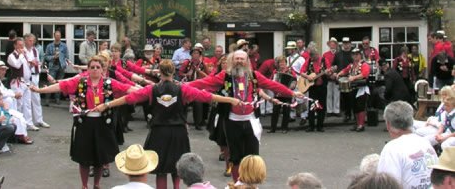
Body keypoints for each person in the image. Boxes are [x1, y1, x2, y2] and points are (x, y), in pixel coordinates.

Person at [94, 59, 240, 189]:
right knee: (177, 168)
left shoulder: (152, 89)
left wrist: (107, 105)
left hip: (158, 132)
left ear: (160, 73)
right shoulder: (183, 89)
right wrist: (230, 100)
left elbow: (129, 98)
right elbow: (207, 96)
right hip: (178, 133)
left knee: (161, 170)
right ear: (173, 72)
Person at [187, 50, 302, 183]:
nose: (239, 61)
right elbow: (205, 82)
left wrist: (291, 93)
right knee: (235, 156)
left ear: (247, 61)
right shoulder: (225, 75)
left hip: (251, 121)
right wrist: (185, 85)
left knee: (253, 157)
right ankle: (238, 183)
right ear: (232, 61)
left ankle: (251, 184)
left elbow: (273, 85)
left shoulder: (254, 76)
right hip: (231, 121)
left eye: (242, 59)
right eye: (237, 59)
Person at [30, 55, 138, 189]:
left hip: (103, 125)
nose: (95, 69)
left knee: (100, 158)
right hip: (85, 124)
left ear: (103, 70)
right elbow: (61, 86)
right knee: (84, 159)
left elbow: (127, 89)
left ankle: (97, 185)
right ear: (88, 69)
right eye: (92, 67)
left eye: (98, 67)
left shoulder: (109, 83)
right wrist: (40, 90)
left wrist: (149, 91)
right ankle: (84, 185)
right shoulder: (80, 82)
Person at [377, 100, 438, 188]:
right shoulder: (426, 143)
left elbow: (386, 185)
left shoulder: (392, 149)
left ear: (388, 125)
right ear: (411, 121)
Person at [0, 61, 33, 145]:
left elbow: (4, 90)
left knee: (11, 101)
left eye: (5, 70)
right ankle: (17, 132)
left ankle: (19, 133)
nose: (4, 72)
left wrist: (13, 94)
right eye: (3, 70)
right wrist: (14, 94)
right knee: (9, 99)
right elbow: (1, 92)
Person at [337, 48, 370, 132]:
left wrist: (354, 77)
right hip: (353, 88)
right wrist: (339, 73)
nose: (355, 56)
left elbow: (364, 74)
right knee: (354, 107)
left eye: (357, 54)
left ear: (360, 55)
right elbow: (345, 70)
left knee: (360, 107)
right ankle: (356, 123)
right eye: (354, 54)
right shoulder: (351, 65)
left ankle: (361, 125)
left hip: (361, 88)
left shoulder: (364, 64)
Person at [179, 44, 209, 130]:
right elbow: (180, 73)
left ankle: (198, 123)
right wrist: (186, 74)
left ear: (200, 55)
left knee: (198, 103)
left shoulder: (203, 64)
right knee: (183, 102)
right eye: (194, 53)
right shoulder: (186, 63)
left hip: (198, 88)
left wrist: (200, 73)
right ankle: (182, 122)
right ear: (191, 54)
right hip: (187, 86)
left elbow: (208, 76)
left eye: (197, 53)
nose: (195, 55)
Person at [300, 49, 329, 132]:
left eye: (314, 56)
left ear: (317, 54)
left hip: (322, 86)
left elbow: (329, 71)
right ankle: (311, 126)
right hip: (312, 87)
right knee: (312, 106)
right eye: (311, 57)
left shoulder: (324, 60)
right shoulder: (308, 61)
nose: (312, 58)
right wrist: (307, 77)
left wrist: (327, 72)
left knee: (321, 106)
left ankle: (320, 126)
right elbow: (301, 72)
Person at [24, 33, 50, 128]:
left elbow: (38, 62)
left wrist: (39, 70)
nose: (32, 42)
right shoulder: (24, 51)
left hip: (35, 76)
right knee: (27, 101)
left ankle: (39, 120)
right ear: (25, 40)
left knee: (36, 99)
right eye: (30, 40)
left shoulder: (35, 50)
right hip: (27, 77)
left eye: (33, 40)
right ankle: (29, 122)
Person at [43, 30, 69, 104]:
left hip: (61, 66)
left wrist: (65, 65)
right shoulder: (49, 46)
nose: (58, 37)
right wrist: (53, 57)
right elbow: (46, 57)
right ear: (54, 36)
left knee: (59, 83)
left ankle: (57, 99)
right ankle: (47, 100)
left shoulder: (64, 46)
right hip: (52, 66)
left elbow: (67, 57)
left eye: (59, 35)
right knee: (50, 82)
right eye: (56, 35)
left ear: (61, 36)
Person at [333, 37, 353, 122]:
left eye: (347, 43)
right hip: (341, 78)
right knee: (344, 98)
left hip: (352, 78)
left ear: (350, 43)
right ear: (342, 44)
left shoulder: (354, 53)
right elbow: (334, 65)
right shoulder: (338, 54)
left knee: (352, 97)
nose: (346, 44)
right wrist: (334, 72)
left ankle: (354, 115)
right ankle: (347, 114)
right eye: (344, 43)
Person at [323, 37, 340, 117]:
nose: (332, 45)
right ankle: (329, 110)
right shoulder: (325, 54)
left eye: (333, 43)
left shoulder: (339, 54)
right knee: (329, 94)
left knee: (337, 94)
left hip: (337, 76)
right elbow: (325, 66)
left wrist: (336, 74)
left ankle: (336, 110)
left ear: (336, 45)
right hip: (328, 76)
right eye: (331, 43)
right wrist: (330, 74)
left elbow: (340, 65)